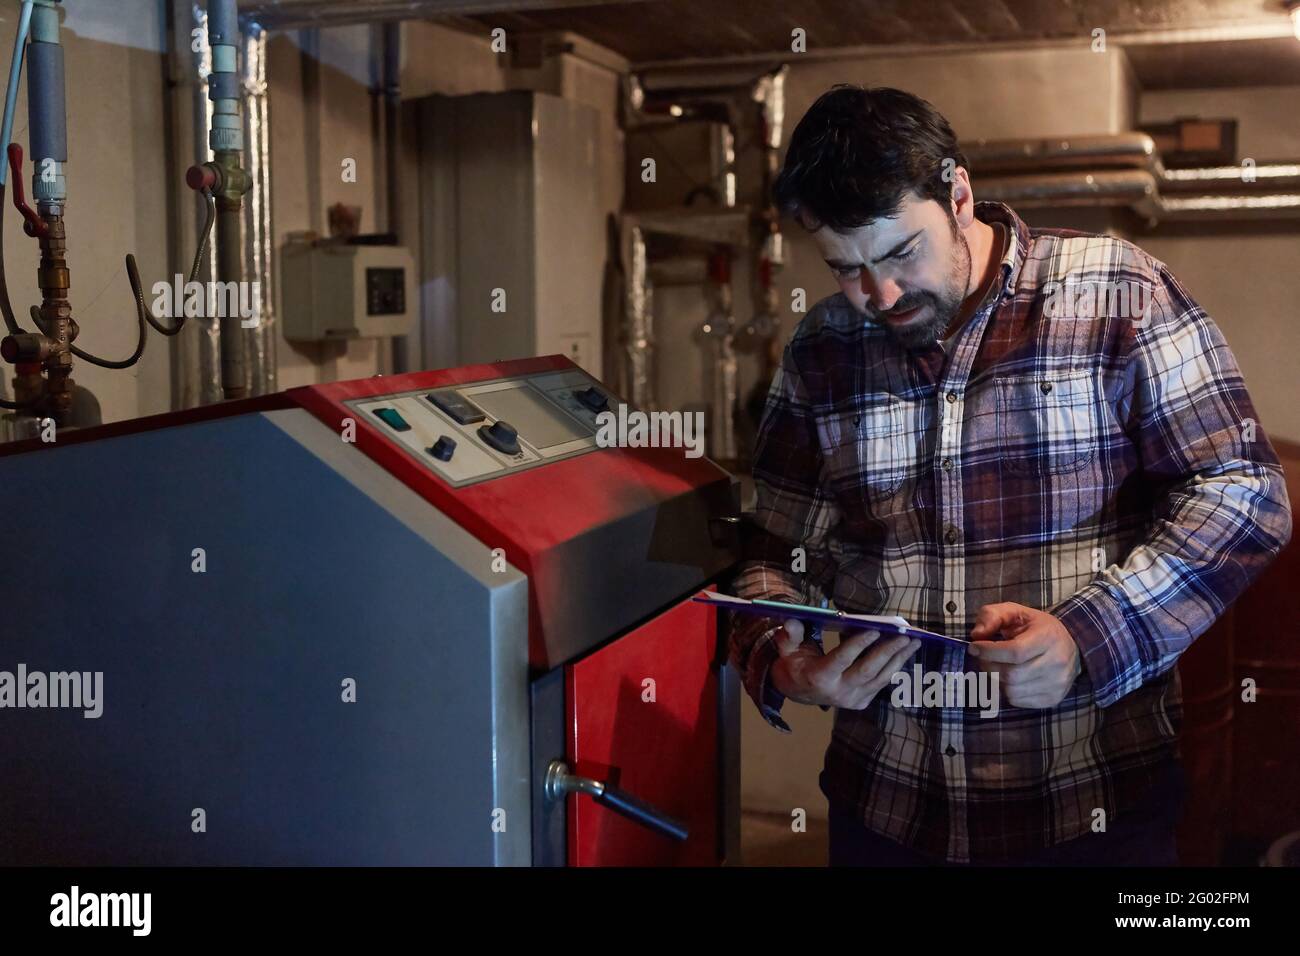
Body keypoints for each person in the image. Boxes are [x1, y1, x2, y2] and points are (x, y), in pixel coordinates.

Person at [729, 85, 1293, 866]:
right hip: (886, 808)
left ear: (958, 194)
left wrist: (1088, 635)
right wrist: (781, 653)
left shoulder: (1118, 294)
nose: (880, 295)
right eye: (846, 269)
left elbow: (1242, 491)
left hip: (1090, 809)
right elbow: (774, 545)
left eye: (900, 253)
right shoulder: (823, 348)